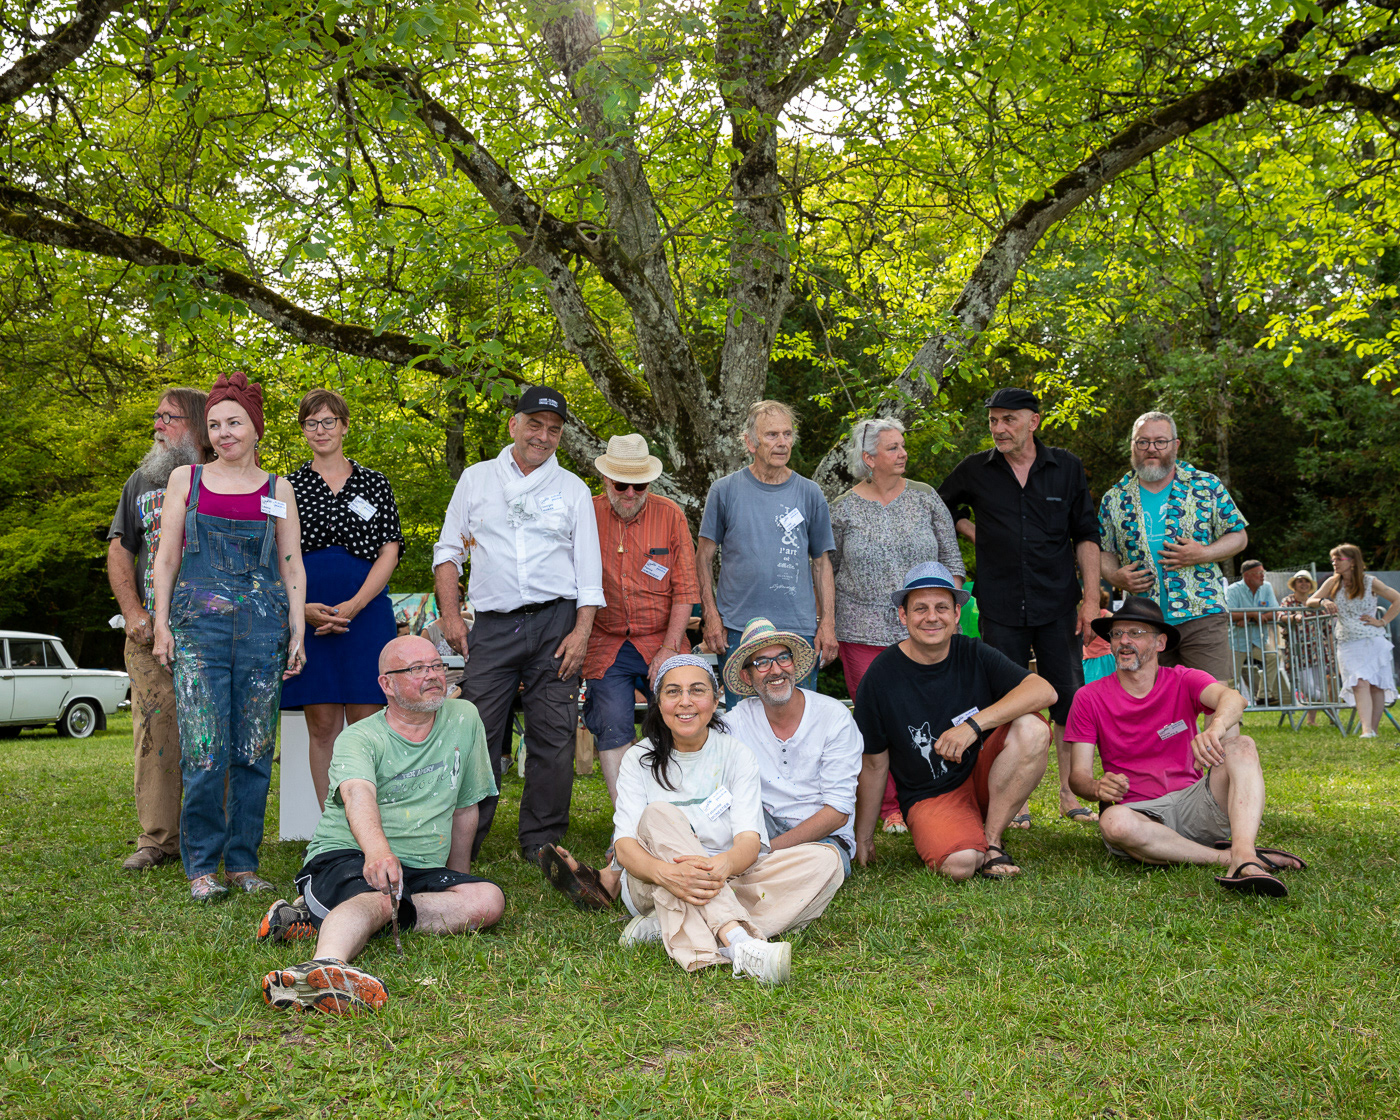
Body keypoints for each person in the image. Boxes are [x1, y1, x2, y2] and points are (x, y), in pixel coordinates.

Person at [259, 636, 504, 1014]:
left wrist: (457, 879)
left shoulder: (464, 717)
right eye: (417, 669)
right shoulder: (359, 737)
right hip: (349, 852)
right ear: (386, 684)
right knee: (380, 896)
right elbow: (358, 796)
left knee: (488, 900)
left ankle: (311, 917)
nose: (433, 676)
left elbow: (465, 807)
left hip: (418, 867)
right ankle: (322, 967)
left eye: (437, 666)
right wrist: (377, 853)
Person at [431, 385, 605, 864]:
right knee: (477, 731)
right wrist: (450, 615)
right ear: (514, 425)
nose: (543, 436)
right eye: (534, 425)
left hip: (556, 623)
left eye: (553, 429)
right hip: (493, 625)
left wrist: (581, 632)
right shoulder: (476, 479)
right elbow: (447, 551)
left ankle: (542, 840)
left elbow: (589, 571)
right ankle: (466, 838)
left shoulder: (572, 489)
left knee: (554, 734)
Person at [151, 372, 307, 901]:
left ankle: (242, 863)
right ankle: (201, 867)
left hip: (264, 632)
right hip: (199, 630)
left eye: (234, 422)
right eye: (215, 424)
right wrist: (161, 624)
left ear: (256, 428)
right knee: (203, 750)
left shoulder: (277, 489)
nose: (224, 433)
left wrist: (297, 630)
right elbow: (166, 559)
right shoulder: (186, 481)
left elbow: (291, 564)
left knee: (254, 750)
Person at [610, 655, 844, 983]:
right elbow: (625, 847)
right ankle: (739, 942)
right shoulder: (639, 759)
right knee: (657, 814)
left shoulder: (736, 753)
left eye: (697, 690)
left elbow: (748, 841)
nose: (686, 701)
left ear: (716, 697)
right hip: (655, 882)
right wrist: (667, 874)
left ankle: (668, 924)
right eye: (673, 692)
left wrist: (722, 865)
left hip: (726, 876)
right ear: (659, 702)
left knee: (826, 860)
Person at [1065, 597, 1307, 897]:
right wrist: (1096, 787)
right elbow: (1078, 777)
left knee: (1242, 745)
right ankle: (1232, 858)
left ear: (1160, 643)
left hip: (1197, 802)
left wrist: (1215, 728)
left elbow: (1234, 698)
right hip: (1141, 813)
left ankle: (1244, 853)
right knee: (1114, 822)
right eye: (1117, 634)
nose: (1124, 641)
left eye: (1135, 633)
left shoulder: (1183, 679)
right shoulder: (1089, 697)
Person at [937, 388, 1100, 826]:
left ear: (1034, 421)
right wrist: (975, 532)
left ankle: (1069, 793)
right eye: (993, 420)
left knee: (1068, 696)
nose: (998, 428)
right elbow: (940, 507)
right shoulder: (975, 469)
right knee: (1005, 700)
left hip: (1058, 602)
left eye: (1008, 419)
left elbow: (1087, 534)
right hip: (1001, 603)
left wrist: (1091, 599)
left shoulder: (1065, 467)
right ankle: (1014, 797)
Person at [852, 562, 1056, 880]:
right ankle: (966, 835)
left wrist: (973, 725)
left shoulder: (973, 652)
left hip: (986, 777)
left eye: (942, 607)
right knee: (960, 864)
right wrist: (863, 836)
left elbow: (1044, 691)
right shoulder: (880, 677)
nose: (932, 617)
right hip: (931, 795)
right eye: (920, 608)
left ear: (957, 614)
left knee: (1032, 728)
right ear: (903, 615)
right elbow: (874, 764)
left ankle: (992, 840)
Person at [830, 416, 964, 834]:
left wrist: (950, 615)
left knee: (933, 711)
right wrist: (826, 623)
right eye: (893, 448)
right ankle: (889, 806)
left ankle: (941, 790)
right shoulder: (842, 508)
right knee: (878, 719)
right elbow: (827, 570)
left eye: (902, 446)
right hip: (862, 630)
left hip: (927, 629)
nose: (903, 453)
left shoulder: (925, 497)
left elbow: (952, 560)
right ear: (869, 458)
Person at [280, 388, 405, 809]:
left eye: (328, 421)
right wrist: (301, 611)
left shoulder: (375, 483)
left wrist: (355, 605)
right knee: (322, 726)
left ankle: (369, 822)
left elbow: (390, 550)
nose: (320, 430)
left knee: (368, 726)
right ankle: (333, 827)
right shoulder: (285, 487)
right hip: (308, 617)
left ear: (345, 426)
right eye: (311, 423)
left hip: (365, 617)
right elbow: (276, 553)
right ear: (303, 430)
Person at [107, 387, 212, 870]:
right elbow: (119, 550)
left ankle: (211, 837)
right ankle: (157, 840)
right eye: (157, 416)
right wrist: (133, 612)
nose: (158, 425)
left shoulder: (227, 475)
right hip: (150, 635)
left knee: (212, 732)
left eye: (170, 417)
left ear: (197, 424)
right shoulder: (142, 481)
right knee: (154, 732)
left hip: (214, 633)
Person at [696, 400, 837, 707]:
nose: (782, 442)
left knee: (799, 720)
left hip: (797, 630)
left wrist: (827, 624)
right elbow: (703, 558)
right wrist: (711, 616)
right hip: (738, 629)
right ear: (751, 442)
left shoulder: (810, 493)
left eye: (787, 434)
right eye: (772, 435)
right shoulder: (724, 490)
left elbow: (822, 564)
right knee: (744, 720)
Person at [583, 433, 700, 801]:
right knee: (611, 723)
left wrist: (669, 648)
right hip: (606, 641)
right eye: (622, 485)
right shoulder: (586, 513)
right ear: (606, 479)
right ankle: (627, 819)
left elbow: (686, 589)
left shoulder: (670, 514)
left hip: (662, 639)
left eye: (640, 485)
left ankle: (678, 809)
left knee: (680, 717)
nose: (631, 493)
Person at [1098, 410, 1247, 685]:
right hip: (1143, 621)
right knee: (1152, 700)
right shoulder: (1114, 498)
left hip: (1201, 611)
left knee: (1214, 695)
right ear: (1132, 445)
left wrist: (1204, 553)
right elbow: (1104, 550)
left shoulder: (1206, 485)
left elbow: (1238, 536)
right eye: (1143, 442)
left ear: (1175, 445)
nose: (1151, 448)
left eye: (1160, 441)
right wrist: (1115, 576)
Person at [722, 619, 863, 880]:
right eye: (762, 662)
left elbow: (837, 813)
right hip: (760, 828)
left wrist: (762, 853)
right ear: (746, 676)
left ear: (794, 664)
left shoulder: (834, 716)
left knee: (824, 863)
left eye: (783, 658)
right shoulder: (735, 722)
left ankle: (749, 874)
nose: (776, 670)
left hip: (824, 840)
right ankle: (752, 875)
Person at [1308, 544, 1398, 738]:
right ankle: (1366, 729)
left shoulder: (1370, 581)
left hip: (1372, 639)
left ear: (1353, 562)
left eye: (1339, 559)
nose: (1334, 563)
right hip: (1348, 641)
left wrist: (1382, 621)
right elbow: (1310, 601)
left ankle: (1372, 730)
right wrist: (1324, 601)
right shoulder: (1333, 582)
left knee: (1376, 685)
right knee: (1359, 683)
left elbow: (1397, 599)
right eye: (1333, 559)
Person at [1225, 560, 1289, 706]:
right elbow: (1228, 615)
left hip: (1258, 640)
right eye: (1259, 573)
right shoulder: (1233, 590)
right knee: (1232, 679)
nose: (1262, 576)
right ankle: (1231, 711)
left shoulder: (1266, 587)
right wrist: (1252, 614)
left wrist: (1251, 617)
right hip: (1236, 641)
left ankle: (1263, 696)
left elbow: (1274, 612)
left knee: (1273, 657)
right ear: (1247, 576)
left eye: (1263, 572)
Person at [1281, 570, 1325, 726]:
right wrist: (1294, 617)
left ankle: (1311, 720)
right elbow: (1280, 616)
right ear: (1294, 584)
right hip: (1297, 651)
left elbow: (1326, 626)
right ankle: (1328, 703)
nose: (1304, 584)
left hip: (1317, 649)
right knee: (1309, 689)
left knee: (1319, 685)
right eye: (1300, 581)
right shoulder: (1287, 601)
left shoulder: (1315, 602)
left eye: (1307, 581)